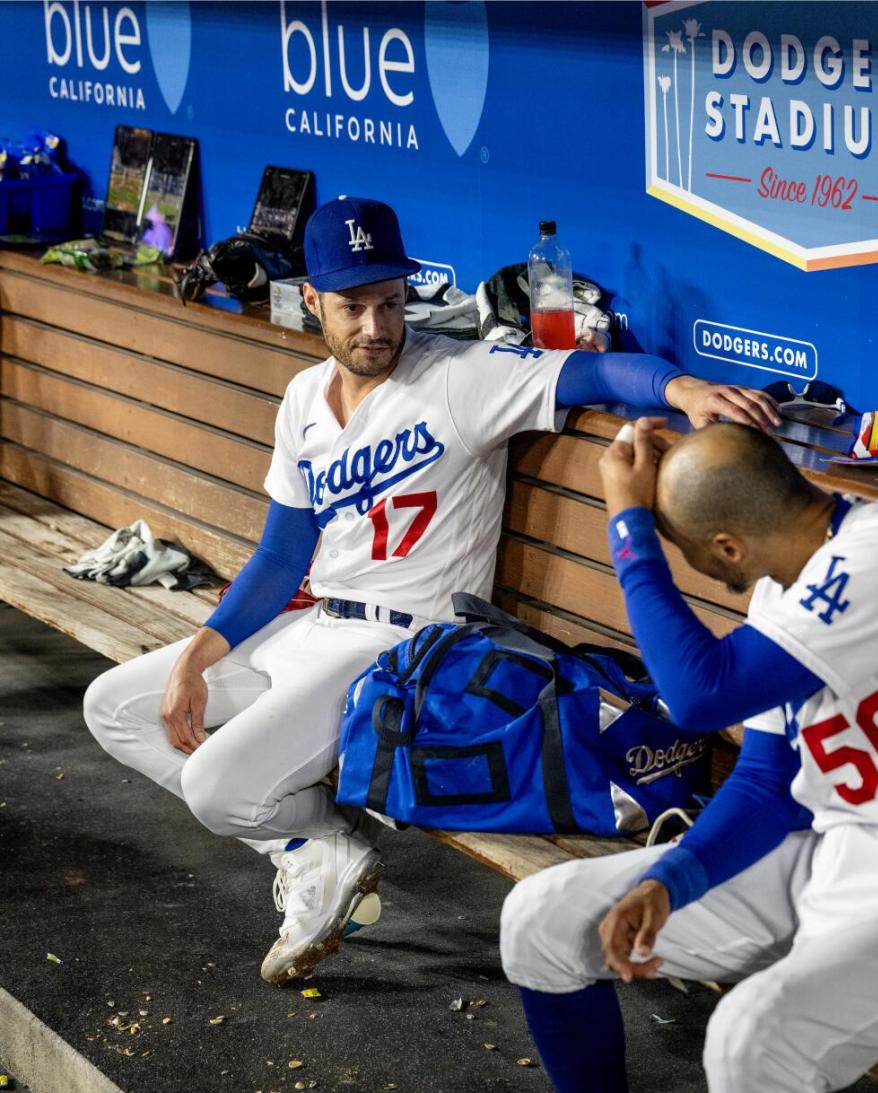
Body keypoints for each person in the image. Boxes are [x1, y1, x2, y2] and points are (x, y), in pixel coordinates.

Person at [83, 196, 780, 989]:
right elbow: (283, 554)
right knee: (113, 706)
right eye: (353, 307)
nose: (375, 326)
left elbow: (591, 370)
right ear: (312, 299)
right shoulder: (304, 401)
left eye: (388, 301)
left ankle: (311, 843)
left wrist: (682, 388)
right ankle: (313, 846)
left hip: (405, 651)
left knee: (215, 787)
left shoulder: (458, 377)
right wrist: (202, 652)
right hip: (315, 624)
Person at [462, 418, 878, 1093]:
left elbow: (696, 693)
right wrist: (673, 882)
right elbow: (771, 786)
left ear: (727, 541)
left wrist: (629, 525)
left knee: (751, 1042)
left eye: (700, 557)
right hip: (833, 854)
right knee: (546, 915)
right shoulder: (786, 587)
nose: (705, 572)